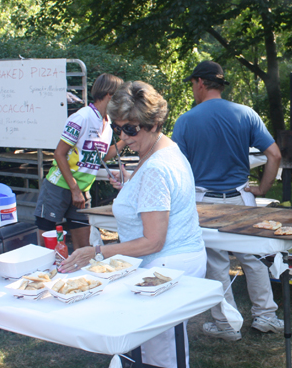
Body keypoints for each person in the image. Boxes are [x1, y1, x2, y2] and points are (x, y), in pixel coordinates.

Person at [60, 80, 207, 368]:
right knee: (165, 349)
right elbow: (157, 196)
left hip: (166, 265)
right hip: (181, 260)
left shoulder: (154, 167)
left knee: (159, 356)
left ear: (153, 123)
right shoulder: (165, 149)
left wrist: (97, 252)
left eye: (130, 129)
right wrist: (129, 186)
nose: (123, 137)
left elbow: (153, 241)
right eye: (118, 128)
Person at [172, 60, 283, 342]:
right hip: (241, 198)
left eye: (193, 84)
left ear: (200, 82)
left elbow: (177, 167)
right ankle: (266, 316)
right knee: (254, 256)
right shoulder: (246, 114)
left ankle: (226, 324)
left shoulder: (186, 121)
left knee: (216, 263)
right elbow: (275, 155)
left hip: (204, 202)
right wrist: (262, 188)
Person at [34, 73, 125, 249]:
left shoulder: (107, 122)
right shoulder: (82, 117)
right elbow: (59, 154)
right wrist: (74, 188)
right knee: (46, 245)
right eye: (120, 97)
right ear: (109, 95)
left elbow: (102, 157)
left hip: (82, 191)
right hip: (59, 186)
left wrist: (127, 139)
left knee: (83, 247)